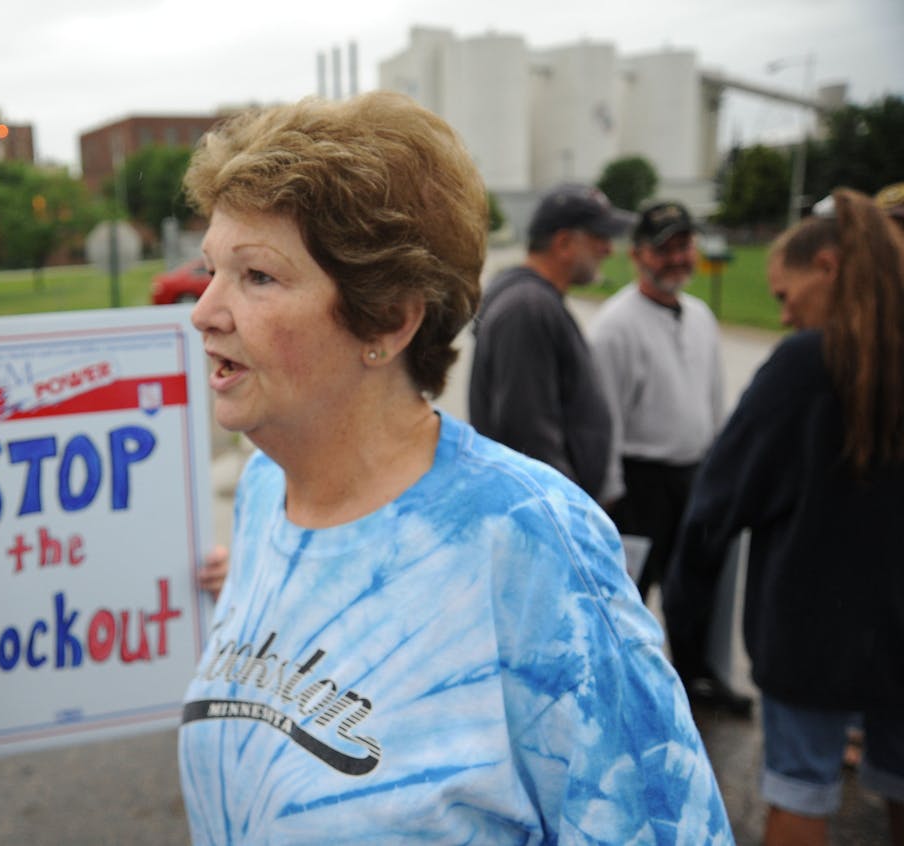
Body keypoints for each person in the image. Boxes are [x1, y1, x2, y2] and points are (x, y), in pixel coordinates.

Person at [176, 92, 729, 844]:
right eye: (209, 270)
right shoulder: (266, 489)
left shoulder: (533, 542)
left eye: (257, 276)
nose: (204, 310)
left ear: (391, 318)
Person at [664, 188, 904, 846]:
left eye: (783, 292)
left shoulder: (806, 366)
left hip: (810, 636)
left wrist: (683, 630)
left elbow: (714, 508)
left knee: (798, 791)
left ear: (826, 266)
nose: (783, 311)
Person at [585, 201, 750, 715]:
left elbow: (713, 398)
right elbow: (604, 418)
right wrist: (612, 492)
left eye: (685, 246)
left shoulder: (699, 315)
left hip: (695, 474)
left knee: (696, 583)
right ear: (638, 256)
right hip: (640, 478)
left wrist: (720, 469)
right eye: (665, 248)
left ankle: (694, 678)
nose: (678, 258)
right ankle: (624, 693)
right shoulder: (614, 326)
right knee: (634, 592)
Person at [468, 182, 633, 500]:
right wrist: (571, 516)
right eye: (600, 237)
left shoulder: (534, 300)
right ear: (564, 243)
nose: (609, 250)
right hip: (548, 520)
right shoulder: (528, 309)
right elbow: (528, 436)